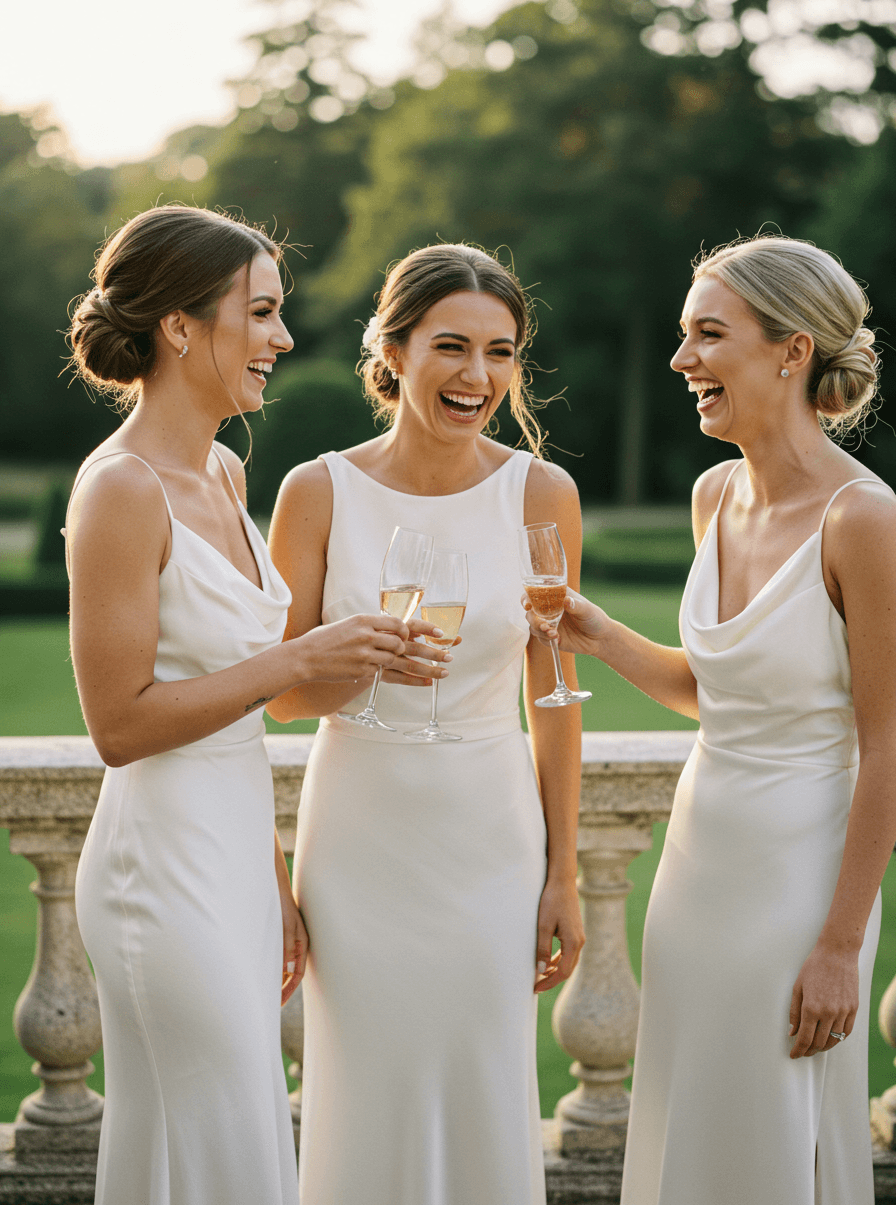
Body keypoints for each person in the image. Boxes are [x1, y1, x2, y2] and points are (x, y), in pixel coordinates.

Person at [66, 205, 448, 1205]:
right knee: (226, 1144)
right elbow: (121, 723)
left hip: (232, 854)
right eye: (263, 312)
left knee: (211, 1153)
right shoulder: (120, 490)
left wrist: (272, 872)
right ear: (181, 326)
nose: (282, 337)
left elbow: (237, 711)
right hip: (158, 866)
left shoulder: (224, 470)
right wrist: (297, 657)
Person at [527, 235, 896, 1204]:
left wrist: (837, 943)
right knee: (693, 1112)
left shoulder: (862, 520)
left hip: (797, 877)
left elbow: (887, 742)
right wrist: (599, 633)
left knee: (772, 1120)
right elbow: (721, 684)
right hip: (697, 863)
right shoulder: (712, 495)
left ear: (790, 349)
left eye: (705, 334)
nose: (680, 359)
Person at [266, 242, 586, 1205]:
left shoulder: (542, 494)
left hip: (488, 832)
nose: (477, 376)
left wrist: (560, 870)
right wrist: (355, 658)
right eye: (452, 346)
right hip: (359, 831)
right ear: (393, 350)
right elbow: (275, 693)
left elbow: (554, 695)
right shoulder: (316, 491)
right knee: (364, 1087)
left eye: (501, 351)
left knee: (483, 1079)